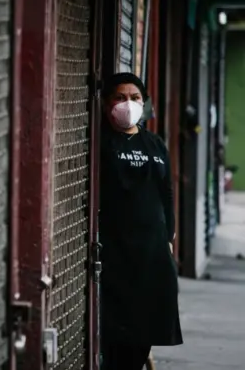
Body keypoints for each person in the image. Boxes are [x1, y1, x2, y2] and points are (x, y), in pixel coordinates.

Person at [99, 73, 183, 370]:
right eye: (120, 98)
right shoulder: (102, 144)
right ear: (106, 103)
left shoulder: (155, 144)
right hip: (118, 256)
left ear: (144, 103)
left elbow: (167, 193)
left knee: (144, 334)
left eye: (134, 98)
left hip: (154, 257)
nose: (128, 104)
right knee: (118, 340)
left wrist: (169, 239)